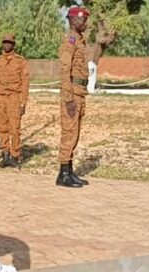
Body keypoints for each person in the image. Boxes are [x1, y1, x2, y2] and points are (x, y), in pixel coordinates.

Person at [57, 6, 91, 188]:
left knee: (75, 134)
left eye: (85, 19)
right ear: (72, 20)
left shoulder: (80, 41)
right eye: (82, 19)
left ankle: (69, 171)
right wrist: (68, 99)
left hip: (80, 92)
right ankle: (63, 174)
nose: (85, 22)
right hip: (72, 94)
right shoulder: (70, 41)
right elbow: (64, 71)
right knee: (69, 133)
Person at [0, 33, 30, 168]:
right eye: (5, 42)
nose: (7, 45)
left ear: (13, 45)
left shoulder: (21, 61)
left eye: (10, 43)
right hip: (0, 98)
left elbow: (25, 83)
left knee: (15, 128)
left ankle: (15, 155)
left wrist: (23, 102)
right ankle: (5, 154)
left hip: (14, 98)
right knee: (2, 128)